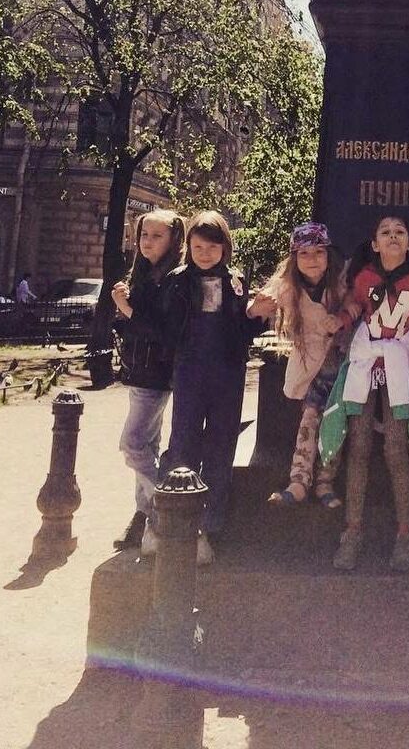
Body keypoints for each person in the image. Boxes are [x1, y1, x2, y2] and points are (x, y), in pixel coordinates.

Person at [322, 214, 409, 572]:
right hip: (366, 362)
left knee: (396, 448)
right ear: (374, 243)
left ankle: (406, 533)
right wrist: (341, 319)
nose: (392, 236)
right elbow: (355, 306)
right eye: (385, 232)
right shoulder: (364, 277)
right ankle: (353, 531)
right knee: (358, 445)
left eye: (400, 232)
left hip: (400, 365)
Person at [160, 211, 261, 565]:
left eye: (212, 247)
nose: (205, 254)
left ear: (225, 248)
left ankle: (210, 525)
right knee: (183, 441)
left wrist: (257, 315)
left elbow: (244, 330)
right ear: (188, 247)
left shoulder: (235, 280)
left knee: (221, 445)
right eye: (198, 247)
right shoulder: (177, 280)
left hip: (227, 372)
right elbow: (166, 326)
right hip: (190, 370)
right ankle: (173, 520)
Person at [250, 222, 347, 509]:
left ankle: (325, 481)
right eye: (304, 253)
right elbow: (256, 306)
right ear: (294, 258)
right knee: (309, 419)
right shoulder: (286, 285)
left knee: (335, 423)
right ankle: (300, 481)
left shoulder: (342, 282)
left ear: (329, 255)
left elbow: (355, 307)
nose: (312, 259)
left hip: (338, 363)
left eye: (319, 252)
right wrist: (256, 307)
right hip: (308, 363)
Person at [110, 209, 186, 555]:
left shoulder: (173, 278)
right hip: (140, 370)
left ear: (173, 240)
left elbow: (161, 330)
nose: (148, 242)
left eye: (157, 236)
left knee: (133, 445)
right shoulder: (144, 273)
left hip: (156, 372)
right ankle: (144, 517)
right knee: (148, 445)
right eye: (144, 235)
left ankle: (168, 508)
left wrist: (126, 308)